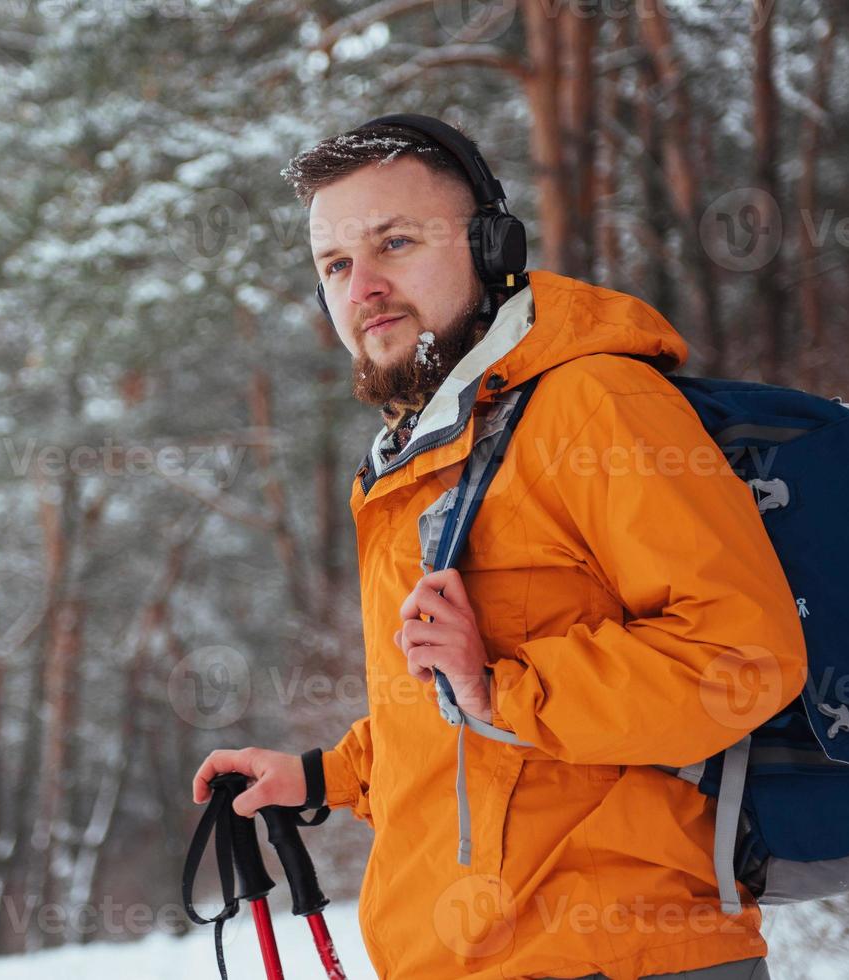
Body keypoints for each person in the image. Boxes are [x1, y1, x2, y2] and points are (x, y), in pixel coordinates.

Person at [191, 116, 806, 980]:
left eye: (394, 243)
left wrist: (500, 688)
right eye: (334, 265)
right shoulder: (424, 455)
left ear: (491, 246)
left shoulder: (594, 402)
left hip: (620, 956)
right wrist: (324, 775)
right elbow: (457, 724)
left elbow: (743, 657)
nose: (360, 287)